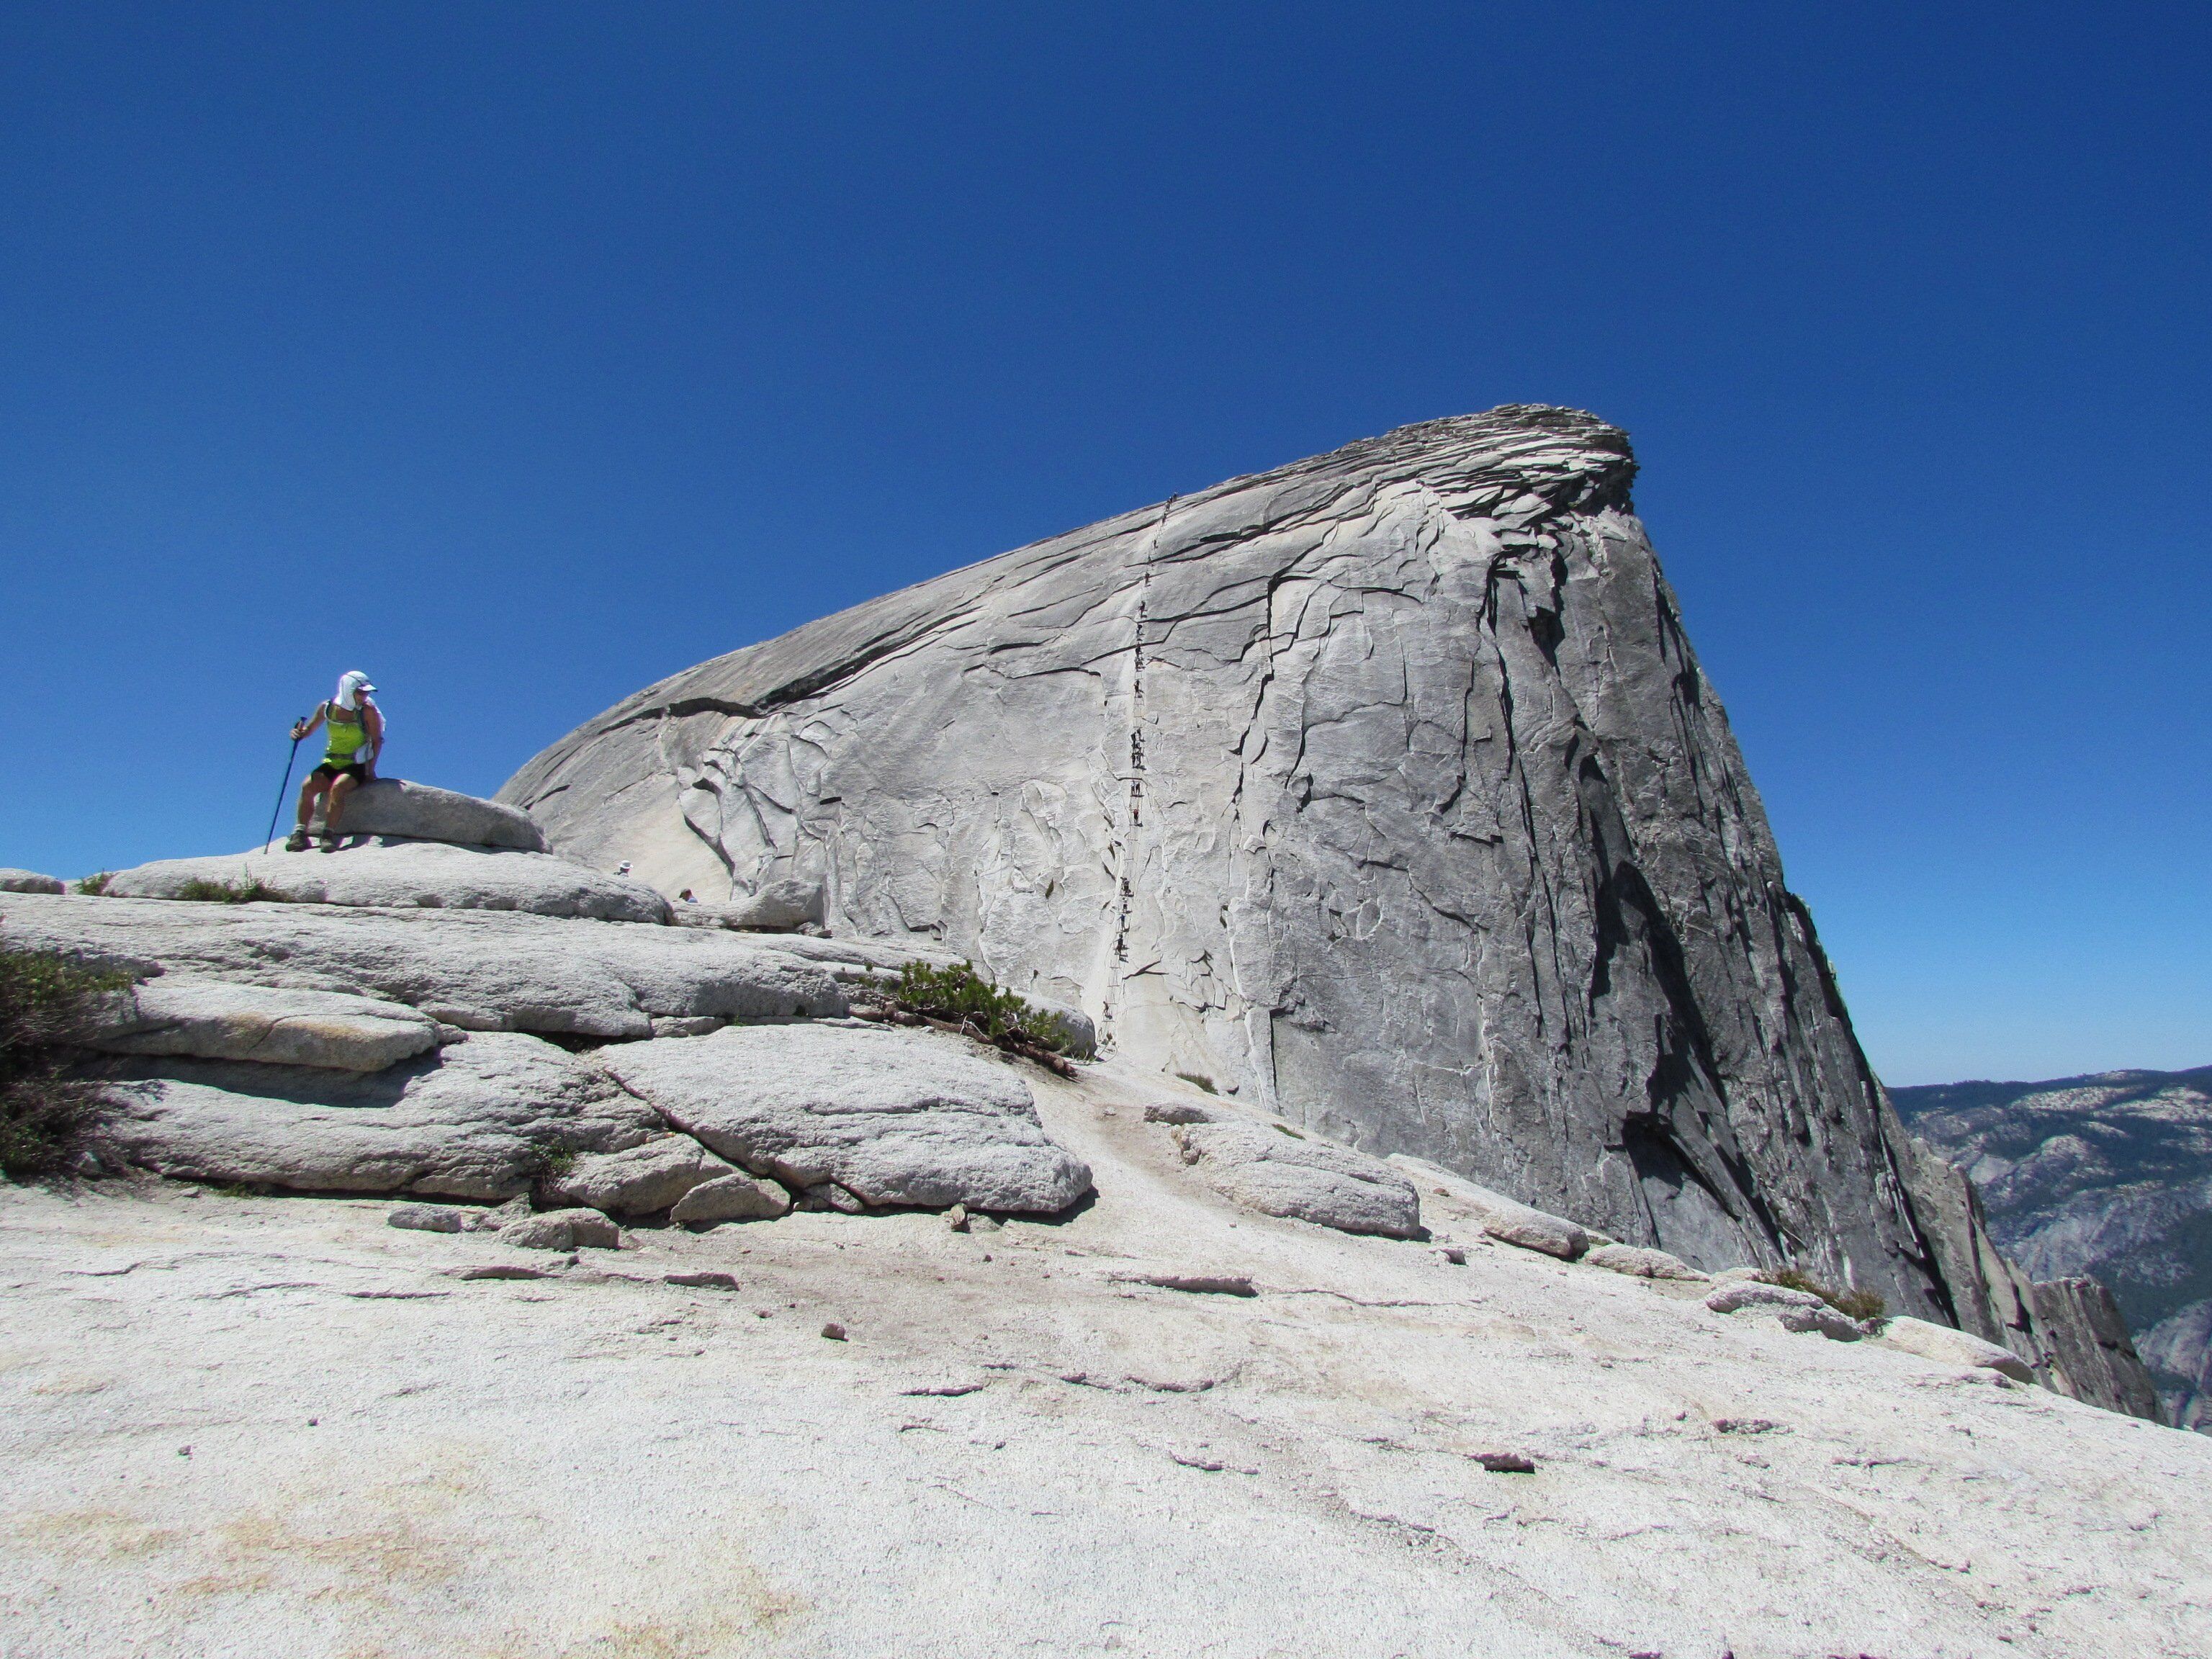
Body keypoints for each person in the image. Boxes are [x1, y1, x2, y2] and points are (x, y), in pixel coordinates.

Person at [285, 672, 384, 850]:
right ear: (348, 690)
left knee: (338, 788)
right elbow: (309, 730)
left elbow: (377, 741)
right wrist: (298, 734)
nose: (365, 696)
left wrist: (370, 770)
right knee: (308, 786)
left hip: (356, 765)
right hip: (332, 762)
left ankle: (328, 834)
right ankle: (300, 833)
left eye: (366, 693)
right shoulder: (327, 708)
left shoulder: (368, 712)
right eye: (360, 692)